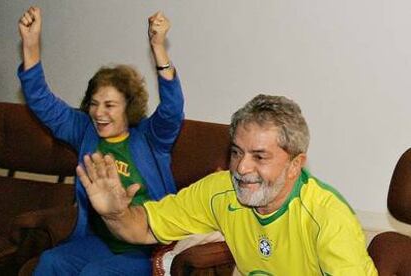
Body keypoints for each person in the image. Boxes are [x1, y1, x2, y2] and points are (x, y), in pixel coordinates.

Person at [77, 94, 378, 275]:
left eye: (260, 156)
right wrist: (116, 214)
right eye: (237, 152)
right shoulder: (220, 191)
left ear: (295, 165)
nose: (242, 167)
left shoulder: (327, 217)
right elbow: (142, 228)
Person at [18, 6, 184, 275]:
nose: (99, 113)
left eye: (109, 105)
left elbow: (172, 110)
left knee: (94, 274)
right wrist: (30, 45)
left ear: (128, 107)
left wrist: (158, 47)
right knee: (50, 261)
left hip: (145, 247)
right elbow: (42, 101)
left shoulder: (150, 139)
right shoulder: (85, 131)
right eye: (94, 104)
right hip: (100, 242)